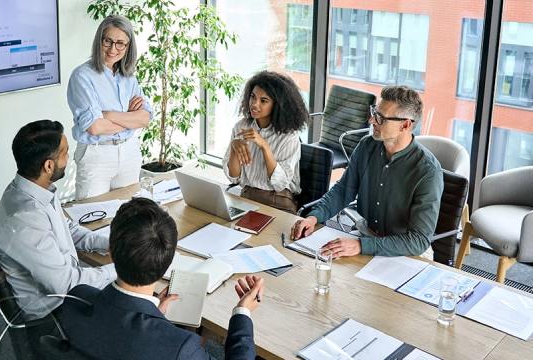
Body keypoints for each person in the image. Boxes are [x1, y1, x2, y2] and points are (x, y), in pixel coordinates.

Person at [59, 198, 264, 359]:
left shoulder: (75, 300)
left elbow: (118, 337)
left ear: (111, 252)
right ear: (168, 261)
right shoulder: (180, 347)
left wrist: (155, 315)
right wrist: (242, 313)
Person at [291, 85, 444, 258]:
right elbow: (343, 190)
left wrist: (361, 245)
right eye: (374, 112)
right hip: (365, 235)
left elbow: (418, 240)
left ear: (405, 125)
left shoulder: (428, 171)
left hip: (406, 251)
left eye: (381, 118)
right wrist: (314, 217)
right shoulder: (366, 145)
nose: (371, 121)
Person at [0, 120, 116, 323]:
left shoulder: (33, 188)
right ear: (48, 166)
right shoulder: (25, 219)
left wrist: (107, 243)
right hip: (55, 313)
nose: (69, 158)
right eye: (65, 153)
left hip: (65, 289)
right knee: (136, 305)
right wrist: (124, 268)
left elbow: (67, 229)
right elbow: (67, 285)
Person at [67, 15, 152, 200]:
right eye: (108, 41)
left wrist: (108, 114)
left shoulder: (129, 77)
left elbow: (145, 118)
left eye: (120, 43)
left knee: (130, 217)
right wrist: (130, 118)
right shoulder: (82, 76)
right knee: (93, 217)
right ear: (100, 41)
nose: (113, 49)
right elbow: (95, 127)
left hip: (129, 152)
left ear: (128, 46)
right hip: (96, 154)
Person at [222, 71, 309, 213]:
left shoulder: (289, 137)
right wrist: (234, 148)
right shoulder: (241, 127)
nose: (254, 104)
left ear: (277, 105)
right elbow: (234, 177)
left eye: (263, 100)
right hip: (247, 196)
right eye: (253, 97)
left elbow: (280, 184)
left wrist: (264, 146)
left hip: (278, 202)